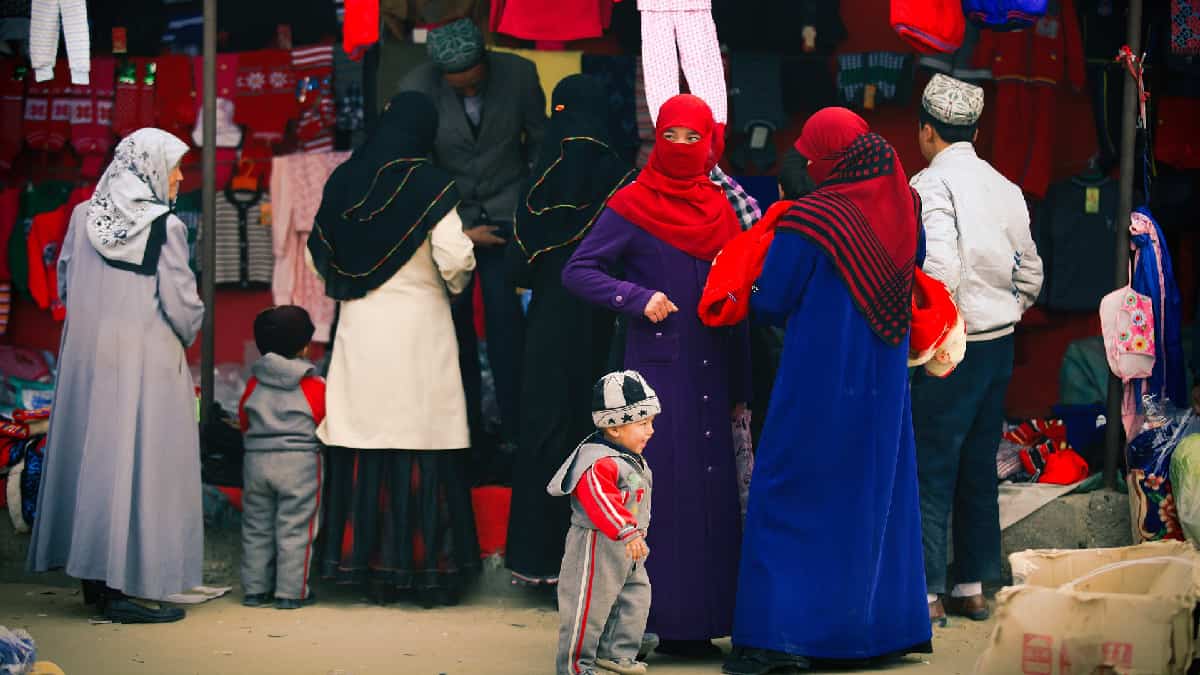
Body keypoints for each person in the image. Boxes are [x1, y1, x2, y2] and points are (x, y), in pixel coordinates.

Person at [723, 108, 931, 675]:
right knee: (871, 498)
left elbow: (769, 303)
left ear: (828, 159)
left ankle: (779, 640)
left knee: (788, 494)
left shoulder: (812, 219)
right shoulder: (907, 211)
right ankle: (879, 635)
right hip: (883, 385)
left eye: (813, 152)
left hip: (817, 381)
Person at [562, 93, 748, 659]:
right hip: (662, 373)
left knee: (715, 491)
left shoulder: (725, 205)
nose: (684, 148)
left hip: (718, 361)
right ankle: (652, 623)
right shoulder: (632, 202)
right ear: (656, 139)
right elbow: (578, 269)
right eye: (673, 137)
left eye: (695, 138)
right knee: (663, 493)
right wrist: (635, 298)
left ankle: (710, 619)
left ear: (711, 141)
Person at [308, 91, 480, 607]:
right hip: (419, 327)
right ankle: (423, 570)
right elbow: (454, 257)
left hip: (360, 325)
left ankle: (361, 569)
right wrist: (451, 284)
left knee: (365, 436)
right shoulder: (432, 185)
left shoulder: (344, 180)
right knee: (421, 439)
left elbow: (321, 251)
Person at [27, 128, 203, 624]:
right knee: (137, 464)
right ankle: (124, 586)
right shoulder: (164, 227)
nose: (180, 176)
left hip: (86, 357)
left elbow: (64, 279)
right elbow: (181, 304)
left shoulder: (84, 216)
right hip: (144, 361)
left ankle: (95, 583)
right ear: (149, 167)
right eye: (175, 166)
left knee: (93, 459)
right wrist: (190, 329)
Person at [909, 74, 1043, 622]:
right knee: (976, 465)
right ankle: (971, 587)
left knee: (932, 466)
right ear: (975, 131)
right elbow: (1030, 272)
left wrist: (937, 330)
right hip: (999, 344)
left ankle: (928, 595)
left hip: (952, 344)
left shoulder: (930, 184)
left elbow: (940, 267)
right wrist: (1004, 312)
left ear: (925, 131)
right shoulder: (1005, 187)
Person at [504, 74, 636, 588]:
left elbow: (516, 267)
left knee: (545, 430)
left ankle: (536, 564)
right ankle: (592, 570)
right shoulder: (625, 180)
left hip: (550, 326)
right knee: (600, 433)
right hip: (608, 321)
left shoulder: (540, 182)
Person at [400, 18, 548, 462]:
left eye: (474, 83)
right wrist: (456, 231)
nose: (467, 91)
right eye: (456, 86)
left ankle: (516, 430)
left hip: (507, 215)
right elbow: (416, 167)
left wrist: (529, 212)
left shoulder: (519, 74)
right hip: (450, 221)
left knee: (508, 330)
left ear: (485, 62)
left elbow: (539, 145)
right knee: (453, 332)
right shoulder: (415, 87)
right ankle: (462, 432)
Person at [548, 370, 658, 675]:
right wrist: (627, 530)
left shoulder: (628, 457)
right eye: (642, 424)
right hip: (597, 544)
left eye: (650, 423)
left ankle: (616, 652)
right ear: (614, 428)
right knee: (587, 606)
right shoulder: (598, 462)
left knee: (634, 597)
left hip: (628, 546)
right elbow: (602, 503)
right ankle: (576, 664)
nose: (650, 431)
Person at [238, 305, 326, 610]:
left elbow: (244, 421)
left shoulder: (253, 383)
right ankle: (291, 592)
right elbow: (325, 422)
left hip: (256, 463)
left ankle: (254, 590)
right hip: (300, 464)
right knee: (296, 528)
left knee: (256, 527)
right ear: (304, 347)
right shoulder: (314, 386)